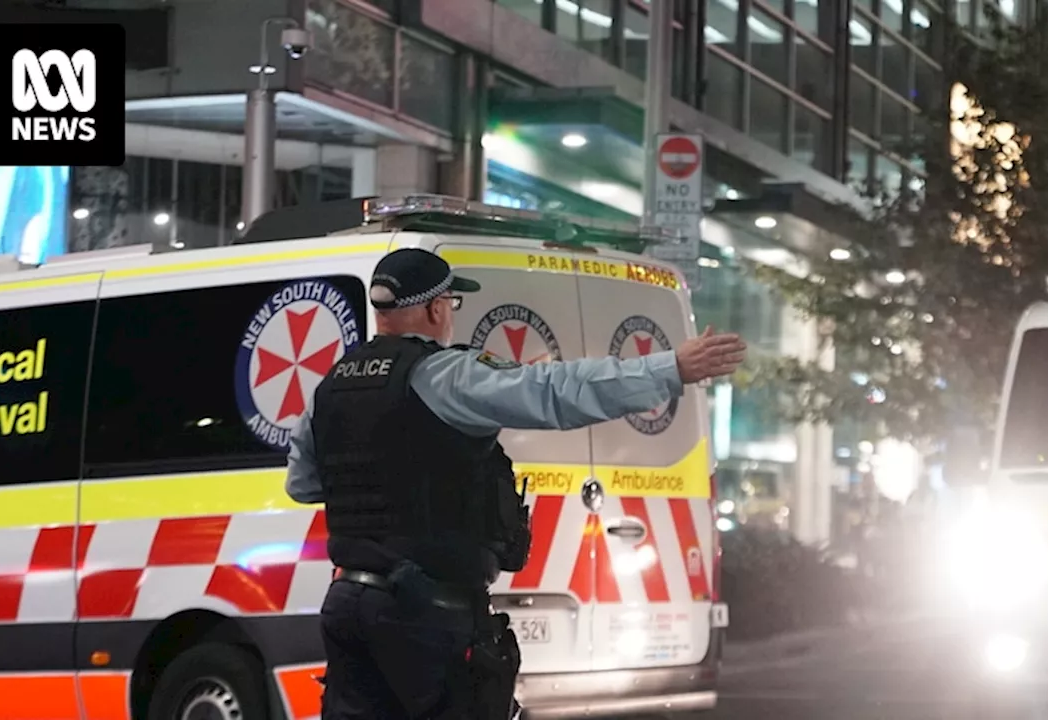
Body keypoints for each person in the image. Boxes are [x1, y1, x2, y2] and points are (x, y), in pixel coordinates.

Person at [284, 248, 747, 720]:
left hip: (348, 606)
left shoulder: (332, 384)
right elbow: (553, 391)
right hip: (426, 612)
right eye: (451, 306)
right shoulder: (446, 376)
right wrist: (668, 369)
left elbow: (302, 485)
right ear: (436, 308)